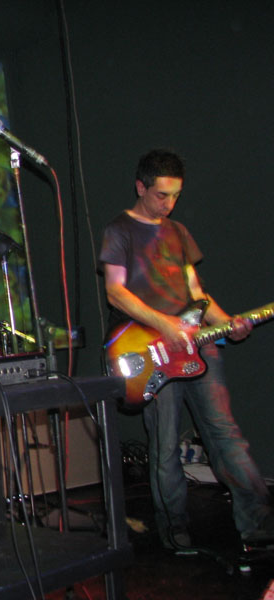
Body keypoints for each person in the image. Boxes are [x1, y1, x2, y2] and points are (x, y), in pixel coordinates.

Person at [99, 148, 273, 550]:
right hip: (154, 351)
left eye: (176, 196)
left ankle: (258, 523)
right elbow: (115, 292)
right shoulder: (119, 230)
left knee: (225, 434)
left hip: (198, 346)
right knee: (165, 446)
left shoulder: (177, 232)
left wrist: (228, 323)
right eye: (162, 195)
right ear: (141, 187)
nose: (169, 204)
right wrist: (165, 325)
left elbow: (196, 294)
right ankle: (174, 527)